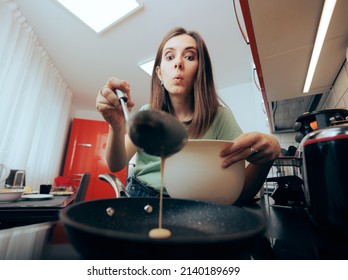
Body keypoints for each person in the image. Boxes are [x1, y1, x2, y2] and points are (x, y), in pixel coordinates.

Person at [96, 27, 281, 205]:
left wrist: (266, 160)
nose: (178, 63)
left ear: (201, 70)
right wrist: (116, 125)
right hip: (142, 198)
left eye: (189, 56)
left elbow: (238, 193)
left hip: (196, 206)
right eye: (169, 57)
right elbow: (116, 164)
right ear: (159, 74)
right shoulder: (148, 114)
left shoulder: (220, 117)